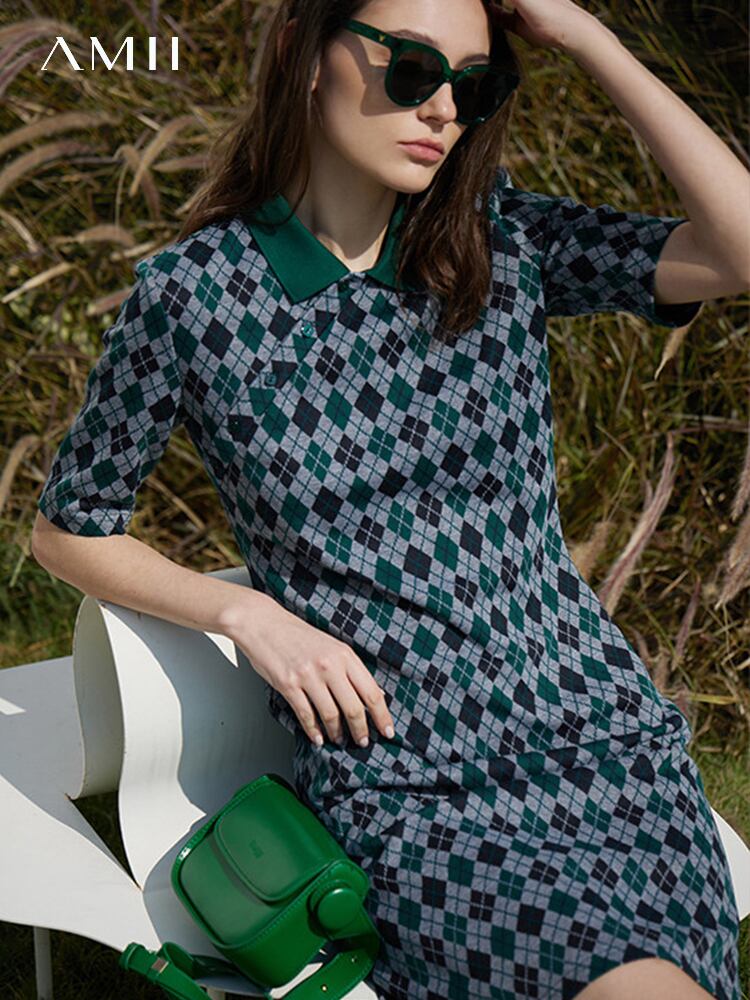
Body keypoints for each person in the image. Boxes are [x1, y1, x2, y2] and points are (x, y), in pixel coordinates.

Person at [32, 0, 748, 998]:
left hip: (603, 739)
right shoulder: (197, 297)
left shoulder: (496, 239)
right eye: (412, 69)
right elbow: (69, 529)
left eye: (475, 84)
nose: (443, 108)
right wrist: (250, 615)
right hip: (413, 784)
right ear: (305, 52)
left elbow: (739, 250)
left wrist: (593, 39)